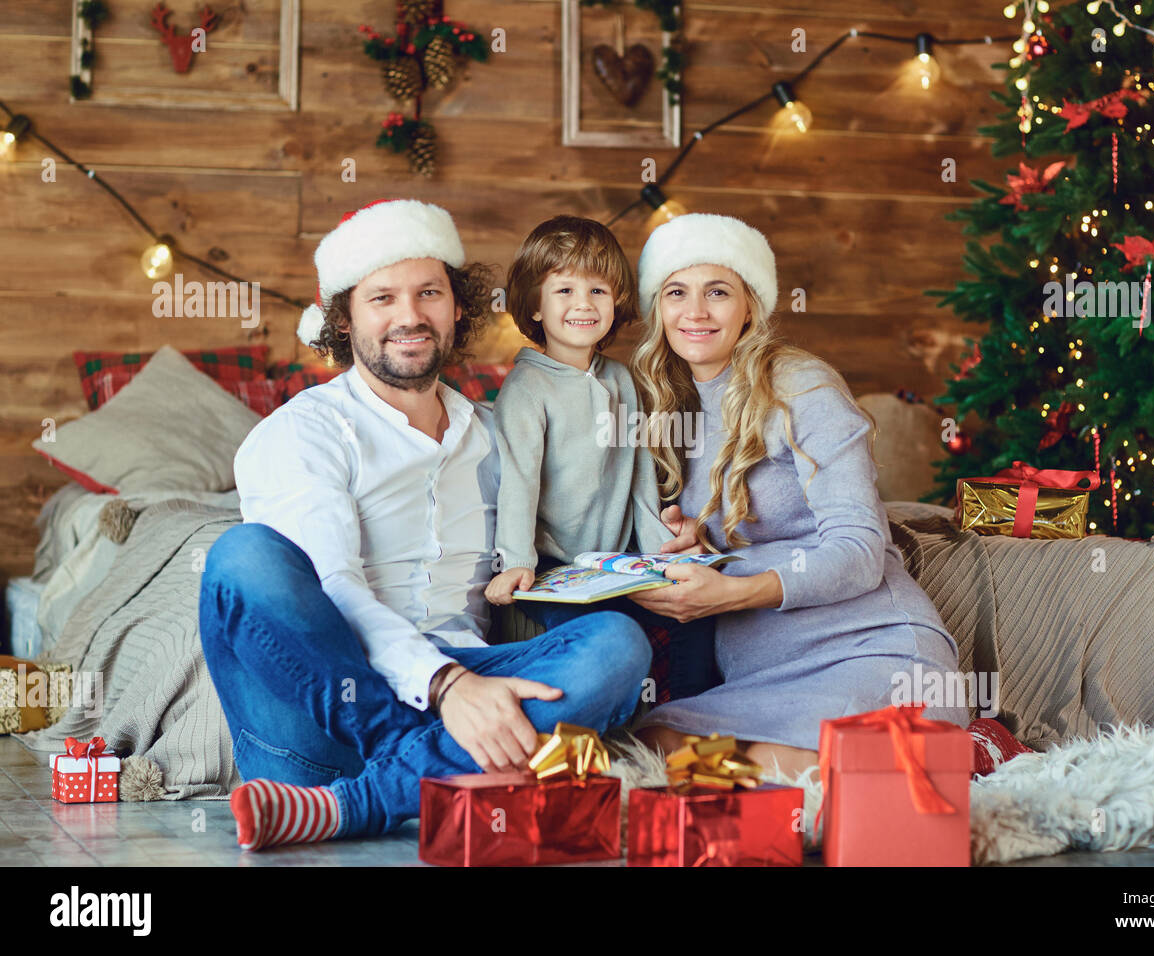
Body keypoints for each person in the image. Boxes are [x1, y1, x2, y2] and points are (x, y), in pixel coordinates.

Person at [198, 199, 654, 851]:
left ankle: (359, 803)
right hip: (330, 711)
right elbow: (331, 584)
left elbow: (564, 547)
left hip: (471, 688)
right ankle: (411, 766)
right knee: (243, 558)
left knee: (616, 643)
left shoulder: (497, 436)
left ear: (458, 306)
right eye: (382, 297)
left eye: (428, 293)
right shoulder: (304, 432)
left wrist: (672, 538)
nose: (409, 316)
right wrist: (446, 687)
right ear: (344, 318)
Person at [625, 213, 970, 777]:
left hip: (869, 651)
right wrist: (698, 545)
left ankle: (897, 785)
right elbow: (743, 539)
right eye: (676, 293)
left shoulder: (802, 388)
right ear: (657, 309)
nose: (695, 312)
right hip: (761, 678)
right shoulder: (671, 405)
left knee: (762, 773)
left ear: (750, 306)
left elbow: (860, 551)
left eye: (718, 292)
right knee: (655, 743)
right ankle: (868, 792)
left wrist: (730, 593)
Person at [484, 215, 718, 699]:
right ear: (534, 306)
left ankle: (686, 723)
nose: (583, 304)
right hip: (552, 571)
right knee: (600, 637)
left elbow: (636, 473)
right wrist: (516, 560)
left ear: (617, 302)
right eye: (564, 290)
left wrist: (659, 554)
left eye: (598, 290)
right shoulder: (527, 387)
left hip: (614, 563)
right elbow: (518, 480)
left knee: (691, 616)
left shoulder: (620, 378)